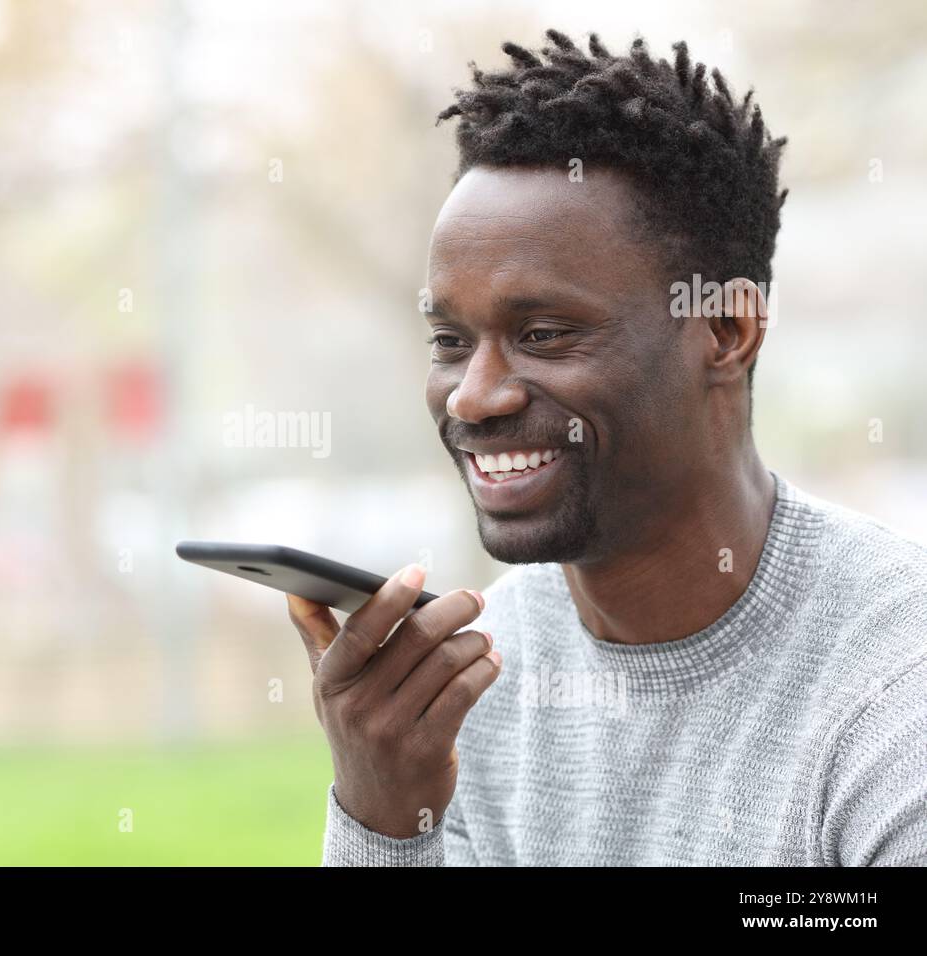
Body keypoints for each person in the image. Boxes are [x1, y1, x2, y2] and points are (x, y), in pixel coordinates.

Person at [289, 29, 927, 866]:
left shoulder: (895, 684)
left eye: (544, 333)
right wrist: (382, 817)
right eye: (450, 340)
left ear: (725, 331)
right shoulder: (478, 676)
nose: (475, 396)